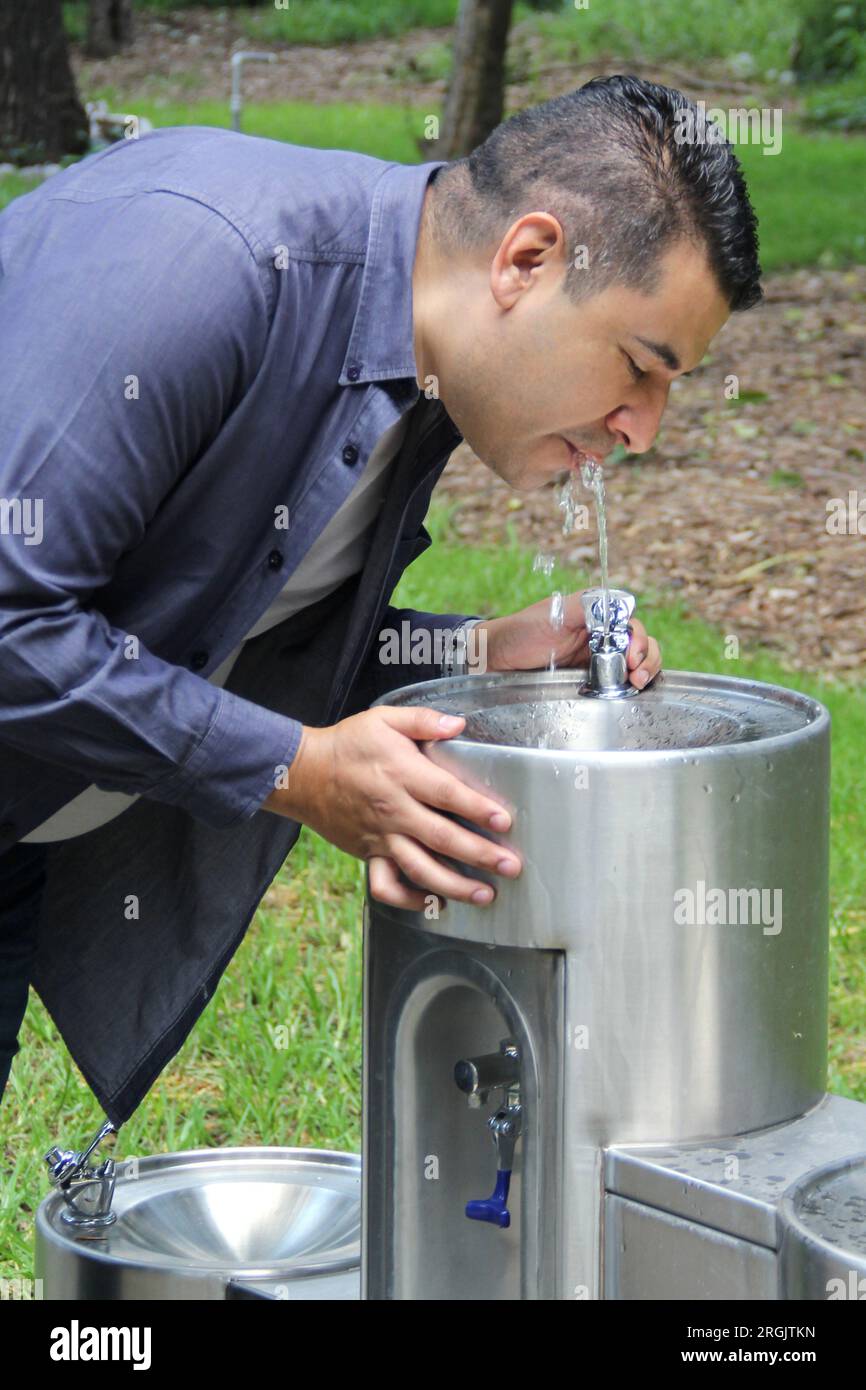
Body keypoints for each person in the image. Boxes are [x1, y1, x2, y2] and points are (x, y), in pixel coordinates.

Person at [0, 74, 761, 1120]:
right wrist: (297, 767)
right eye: (638, 367)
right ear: (526, 260)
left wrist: (479, 650)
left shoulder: (420, 382)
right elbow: (13, 624)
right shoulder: (200, 265)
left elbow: (233, 625)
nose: (642, 428)